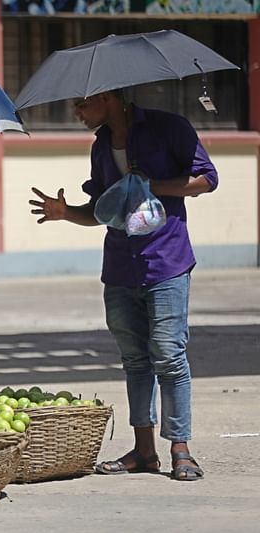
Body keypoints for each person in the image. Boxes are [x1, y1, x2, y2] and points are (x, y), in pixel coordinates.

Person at [29, 90, 215, 482]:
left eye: (82, 103)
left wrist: (152, 184)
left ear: (108, 96)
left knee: (168, 353)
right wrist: (65, 213)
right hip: (119, 268)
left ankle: (180, 447)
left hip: (166, 261)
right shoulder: (100, 147)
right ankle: (144, 451)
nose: (76, 112)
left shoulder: (169, 128)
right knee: (134, 359)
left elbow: (205, 180)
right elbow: (102, 212)